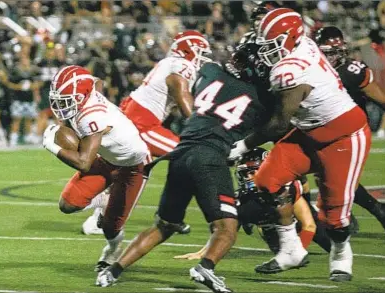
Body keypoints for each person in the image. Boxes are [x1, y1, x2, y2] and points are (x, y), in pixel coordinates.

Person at [96, 44, 286, 293]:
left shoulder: (210, 71)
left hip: (180, 153)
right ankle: (205, 268)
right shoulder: (261, 96)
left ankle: (112, 271)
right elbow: (276, 125)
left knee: (164, 225)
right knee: (227, 228)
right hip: (209, 157)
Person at [228, 8, 371, 282]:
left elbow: (279, 123)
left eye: (272, 45)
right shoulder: (301, 43)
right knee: (266, 181)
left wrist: (244, 145)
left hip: (343, 136)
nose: (266, 50)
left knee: (335, 218)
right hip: (308, 132)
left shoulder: (290, 70)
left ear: (289, 38)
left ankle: (341, 253)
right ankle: (292, 249)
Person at [83, 30, 211, 234]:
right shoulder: (181, 65)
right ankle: (171, 215)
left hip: (132, 117)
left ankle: (100, 216)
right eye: (201, 53)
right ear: (188, 51)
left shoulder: (168, 63)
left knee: (134, 172)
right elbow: (181, 91)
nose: (203, 59)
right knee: (192, 155)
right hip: (141, 124)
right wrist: (203, 126)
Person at [41, 65, 151, 277]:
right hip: (108, 159)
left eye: (66, 99)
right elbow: (97, 80)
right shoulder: (88, 93)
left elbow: (83, 162)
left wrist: (52, 146)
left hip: (134, 166)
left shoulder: (92, 116)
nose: (60, 105)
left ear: (82, 96)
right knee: (68, 204)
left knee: (110, 227)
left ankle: (112, 251)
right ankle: (102, 200)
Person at [173, 147, 332, 261]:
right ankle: (262, 226)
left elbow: (309, 225)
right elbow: (225, 231)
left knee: (332, 244)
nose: (249, 177)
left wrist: (299, 252)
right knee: (265, 235)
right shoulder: (242, 198)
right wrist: (203, 253)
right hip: (272, 222)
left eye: (253, 171)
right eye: (245, 173)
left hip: (303, 222)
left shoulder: (285, 188)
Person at [315, 26, 385, 239]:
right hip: (320, 129)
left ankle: (372, 212)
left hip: (349, 133)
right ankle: (365, 211)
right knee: (326, 177)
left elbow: (383, 100)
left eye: (336, 52)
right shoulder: (308, 69)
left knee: (332, 177)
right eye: (327, 52)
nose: (332, 57)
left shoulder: (351, 71)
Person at [8, 55, 40, 146]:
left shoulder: (33, 72)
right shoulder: (15, 71)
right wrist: (18, 87)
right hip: (18, 99)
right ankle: (13, 138)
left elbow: (38, 83)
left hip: (30, 98)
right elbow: (9, 84)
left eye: (27, 60)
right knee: (16, 119)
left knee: (29, 119)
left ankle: (28, 136)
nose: (25, 62)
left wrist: (34, 88)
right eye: (23, 60)